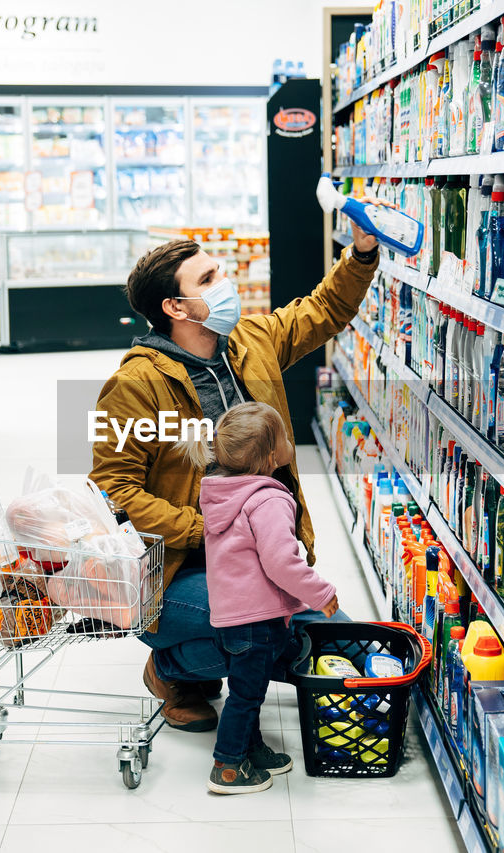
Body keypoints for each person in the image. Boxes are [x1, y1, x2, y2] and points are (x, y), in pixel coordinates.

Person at [89, 205, 383, 732]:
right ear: (177, 307)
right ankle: (173, 668)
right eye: (209, 279)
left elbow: (324, 309)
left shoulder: (250, 343)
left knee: (328, 633)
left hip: (257, 552)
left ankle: (197, 659)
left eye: (219, 270)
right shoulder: (135, 385)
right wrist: (209, 530)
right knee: (276, 626)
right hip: (181, 568)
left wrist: (361, 254)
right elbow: (113, 487)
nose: (225, 283)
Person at [184, 402, 339, 794]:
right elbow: (281, 563)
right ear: (272, 456)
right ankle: (228, 766)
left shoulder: (221, 492)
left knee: (245, 691)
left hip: (230, 616)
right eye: (285, 437)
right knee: (246, 696)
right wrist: (321, 594)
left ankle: (252, 749)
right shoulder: (267, 500)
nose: (290, 440)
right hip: (255, 620)